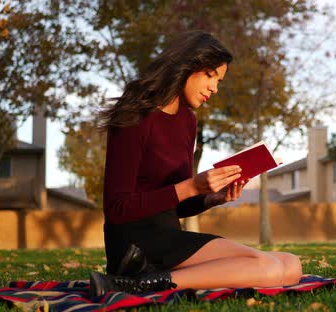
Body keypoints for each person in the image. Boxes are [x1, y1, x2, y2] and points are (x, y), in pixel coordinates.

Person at [89, 31, 302, 296]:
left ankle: (154, 280)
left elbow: (174, 204)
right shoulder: (135, 115)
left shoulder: (188, 120)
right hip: (135, 243)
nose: (215, 88)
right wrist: (192, 186)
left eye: (219, 81)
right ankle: (141, 281)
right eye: (211, 75)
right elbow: (116, 208)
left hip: (168, 238)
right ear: (187, 66)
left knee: (292, 265)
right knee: (266, 267)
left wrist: (210, 197)